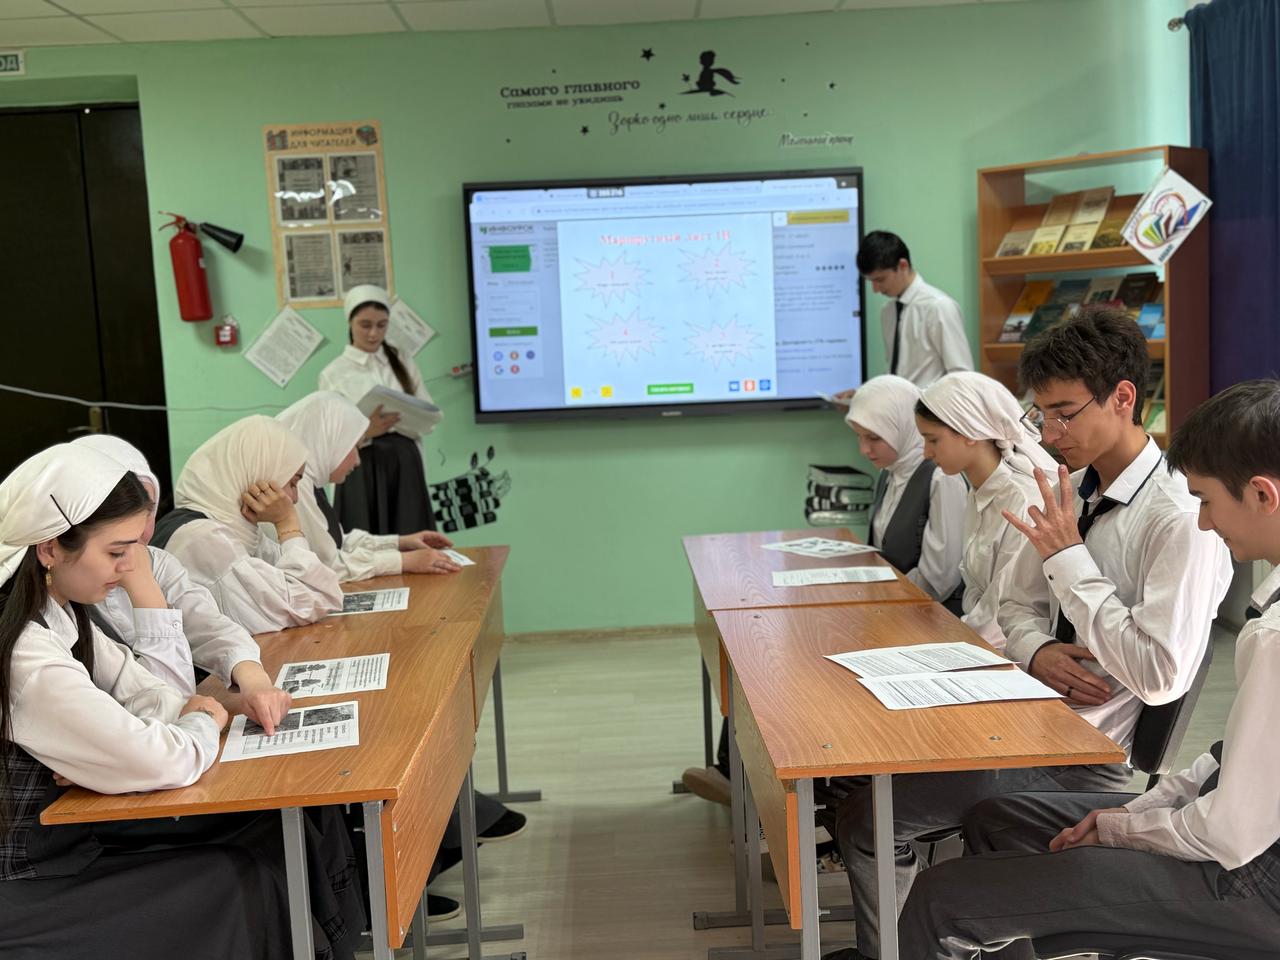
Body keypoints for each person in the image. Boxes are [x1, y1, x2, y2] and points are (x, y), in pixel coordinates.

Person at [822, 307, 1233, 960]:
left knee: (870, 819)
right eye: (1041, 415)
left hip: (1086, 754)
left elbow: (1161, 676)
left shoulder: (1176, 516)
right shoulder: (1069, 487)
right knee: (868, 771)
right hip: (1025, 716)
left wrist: (1070, 563)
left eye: (1065, 413)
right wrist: (1035, 648)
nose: (1049, 433)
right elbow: (1014, 607)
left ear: (1123, 397)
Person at [898, 378, 1280, 960]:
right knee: (997, 820)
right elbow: (1227, 760)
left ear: (1261, 494)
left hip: (1252, 880)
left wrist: (1123, 827)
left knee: (938, 898)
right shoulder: (1072, 494)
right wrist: (1138, 811)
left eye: (1206, 500)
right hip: (1235, 837)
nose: (1204, 522)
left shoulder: (1264, 624)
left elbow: (1230, 830)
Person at [0, 443, 363, 960]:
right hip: (28, 875)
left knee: (279, 824)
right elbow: (161, 756)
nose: (131, 565)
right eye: (116, 552)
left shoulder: (60, 610)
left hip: (68, 834)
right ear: (50, 549)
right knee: (239, 876)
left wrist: (180, 718)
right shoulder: (24, 651)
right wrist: (204, 720)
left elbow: (149, 693)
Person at [72, 434, 292, 732]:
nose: (138, 528)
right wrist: (142, 585)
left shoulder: (158, 561)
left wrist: (255, 681)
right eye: (123, 514)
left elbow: (208, 625)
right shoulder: (72, 592)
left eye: (148, 510)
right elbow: (166, 704)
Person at [152, 416, 342, 635]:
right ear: (260, 474)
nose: (294, 498)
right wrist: (286, 523)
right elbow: (307, 602)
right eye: (292, 483)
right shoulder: (202, 539)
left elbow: (321, 591)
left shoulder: (236, 530)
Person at [916, 371, 1058, 647]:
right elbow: (973, 589)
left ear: (970, 432)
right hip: (979, 642)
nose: (926, 453)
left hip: (1014, 653)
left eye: (933, 440)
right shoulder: (979, 490)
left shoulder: (1024, 500)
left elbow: (1001, 618)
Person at [275, 392, 461, 580]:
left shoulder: (310, 481)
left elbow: (339, 543)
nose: (357, 461)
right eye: (355, 447)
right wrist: (405, 561)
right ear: (329, 441)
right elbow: (327, 565)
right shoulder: (295, 487)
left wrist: (400, 542)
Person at [319, 285, 441, 536]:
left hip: (404, 464)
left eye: (382, 325)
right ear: (350, 322)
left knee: (412, 536)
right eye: (365, 325)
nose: (374, 333)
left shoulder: (403, 361)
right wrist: (366, 431)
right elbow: (329, 438)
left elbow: (426, 412)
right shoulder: (334, 373)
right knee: (363, 540)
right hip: (360, 467)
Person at [848, 374, 966, 609]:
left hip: (932, 615)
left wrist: (880, 596)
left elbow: (940, 580)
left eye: (874, 438)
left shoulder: (942, 477)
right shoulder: (889, 472)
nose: (864, 449)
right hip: (895, 606)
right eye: (859, 437)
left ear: (903, 426)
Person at [855, 231, 972, 389]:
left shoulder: (939, 307)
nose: (875, 289)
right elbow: (898, 373)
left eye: (880, 279)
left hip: (930, 404)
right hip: (897, 403)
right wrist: (863, 393)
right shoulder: (887, 312)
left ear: (903, 266)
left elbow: (962, 377)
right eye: (871, 281)